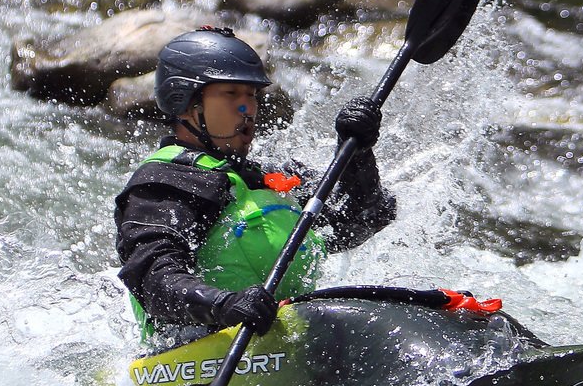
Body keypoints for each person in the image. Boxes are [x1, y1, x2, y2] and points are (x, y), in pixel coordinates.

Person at [115, 26, 396, 347]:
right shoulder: (165, 182)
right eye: (231, 94)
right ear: (189, 105)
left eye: (251, 95)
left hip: (279, 340)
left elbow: (359, 223)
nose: (248, 110)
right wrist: (224, 306)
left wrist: (357, 155)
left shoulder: (266, 178)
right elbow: (154, 279)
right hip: (194, 350)